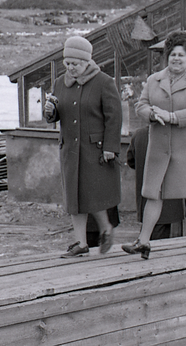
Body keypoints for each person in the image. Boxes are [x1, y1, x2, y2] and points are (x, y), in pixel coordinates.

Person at [123, 30, 186, 259]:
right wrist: (152, 114)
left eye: (181, 55)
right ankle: (143, 241)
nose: (176, 59)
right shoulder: (154, 80)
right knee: (153, 193)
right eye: (172, 54)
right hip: (160, 145)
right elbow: (140, 105)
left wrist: (172, 117)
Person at [43, 35, 122, 257]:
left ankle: (105, 227)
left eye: (75, 64)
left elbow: (114, 118)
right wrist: (50, 113)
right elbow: (55, 113)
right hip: (70, 150)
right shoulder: (60, 82)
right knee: (74, 199)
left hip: (95, 151)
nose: (71, 68)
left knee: (93, 196)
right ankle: (81, 243)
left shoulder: (104, 82)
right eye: (67, 63)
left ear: (87, 61)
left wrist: (110, 147)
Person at [125, 123, 184, 239]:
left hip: (147, 191)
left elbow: (131, 160)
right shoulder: (173, 134)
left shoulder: (139, 134)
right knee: (161, 236)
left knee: (149, 229)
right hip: (168, 196)